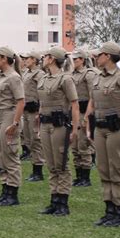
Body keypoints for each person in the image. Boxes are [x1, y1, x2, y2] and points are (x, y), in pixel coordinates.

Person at [85, 41, 120, 227]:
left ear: (107, 56)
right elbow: (93, 102)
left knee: (117, 170)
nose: (96, 57)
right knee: (103, 169)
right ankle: (109, 210)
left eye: (99, 54)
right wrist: (88, 123)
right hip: (100, 128)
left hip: (118, 128)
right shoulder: (97, 77)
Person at [37, 47, 79, 216]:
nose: (43, 59)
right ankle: (54, 200)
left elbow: (74, 104)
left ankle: (63, 202)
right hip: (45, 124)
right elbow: (42, 103)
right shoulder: (44, 78)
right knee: (51, 164)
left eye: (45, 56)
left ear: (52, 59)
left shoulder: (65, 79)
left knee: (61, 163)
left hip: (59, 125)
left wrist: (75, 128)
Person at [0, 47, 25, 206]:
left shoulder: (13, 77)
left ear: (4, 58)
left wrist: (15, 123)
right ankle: (5, 189)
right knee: (0, 153)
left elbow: (21, 101)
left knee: (10, 154)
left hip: (8, 115)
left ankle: (13, 192)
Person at [70, 49, 99, 187]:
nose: (73, 61)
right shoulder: (71, 74)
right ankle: (79, 176)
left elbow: (92, 97)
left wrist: (87, 116)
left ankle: (85, 178)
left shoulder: (89, 74)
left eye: (76, 59)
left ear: (82, 60)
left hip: (84, 111)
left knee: (83, 146)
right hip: (74, 112)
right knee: (74, 146)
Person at [21, 51, 46, 181]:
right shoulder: (26, 73)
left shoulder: (40, 74)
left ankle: (38, 170)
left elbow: (42, 92)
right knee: (28, 139)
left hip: (35, 110)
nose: (25, 60)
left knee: (36, 140)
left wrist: (40, 111)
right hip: (26, 109)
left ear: (35, 60)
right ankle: (34, 166)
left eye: (28, 58)